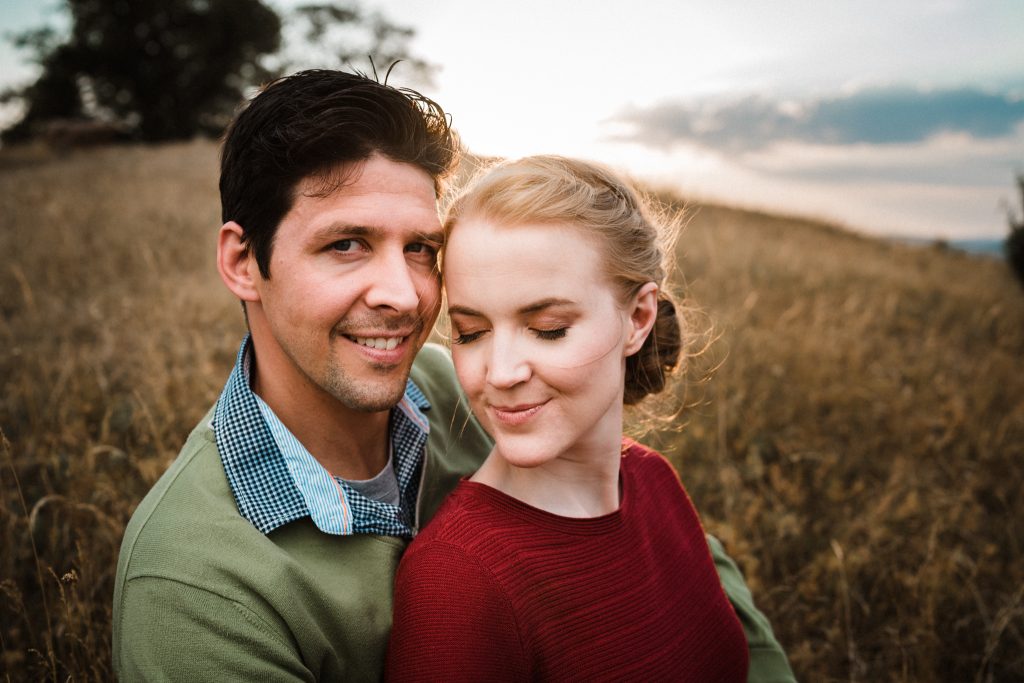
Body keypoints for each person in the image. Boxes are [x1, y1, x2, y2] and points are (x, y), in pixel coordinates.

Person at [113, 69, 790, 681]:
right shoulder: (195, 587)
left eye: (419, 248)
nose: (404, 296)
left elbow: (647, 536)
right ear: (241, 261)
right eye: (345, 244)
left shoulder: (445, 383)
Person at [387, 156, 796, 681]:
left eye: (549, 328)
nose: (502, 373)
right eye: (470, 331)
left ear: (638, 319)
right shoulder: (458, 580)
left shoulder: (654, 480)